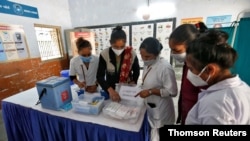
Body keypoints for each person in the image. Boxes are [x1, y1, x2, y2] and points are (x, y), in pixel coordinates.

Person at [169, 23, 229, 124]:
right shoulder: (187, 64)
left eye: (176, 50)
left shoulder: (204, 71)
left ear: (192, 46)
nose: (173, 54)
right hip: (188, 115)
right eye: (171, 49)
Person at [185, 31, 250, 124]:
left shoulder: (217, 104)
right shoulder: (243, 87)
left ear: (210, 70)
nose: (189, 73)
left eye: (191, 69)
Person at [136, 37, 177, 141]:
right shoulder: (149, 64)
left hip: (162, 110)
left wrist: (151, 91)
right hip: (152, 107)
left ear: (156, 54)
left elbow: (172, 92)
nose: (144, 59)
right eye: (141, 55)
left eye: (147, 56)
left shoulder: (165, 68)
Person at [96, 25, 140, 102]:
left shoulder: (131, 54)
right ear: (110, 43)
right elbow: (100, 76)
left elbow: (136, 70)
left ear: (125, 43)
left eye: (122, 46)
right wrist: (110, 90)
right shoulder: (104, 54)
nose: (119, 49)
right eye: (115, 47)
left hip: (127, 88)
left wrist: (133, 82)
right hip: (110, 87)